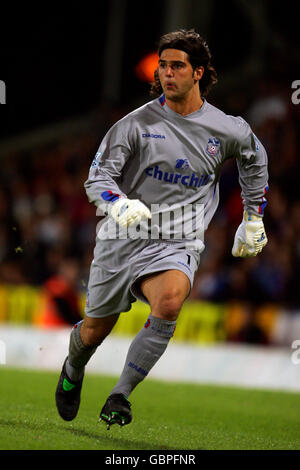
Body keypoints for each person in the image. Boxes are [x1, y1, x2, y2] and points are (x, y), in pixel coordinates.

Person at [55, 29, 268, 428]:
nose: (168, 73)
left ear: (199, 72)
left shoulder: (227, 128)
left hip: (177, 239)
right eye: (163, 66)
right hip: (122, 239)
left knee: (169, 303)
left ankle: (120, 394)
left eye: (177, 66)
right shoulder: (134, 125)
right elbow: (97, 178)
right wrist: (118, 204)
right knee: (95, 331)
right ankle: (72, 368)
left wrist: (253, 216)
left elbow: (255, 159)